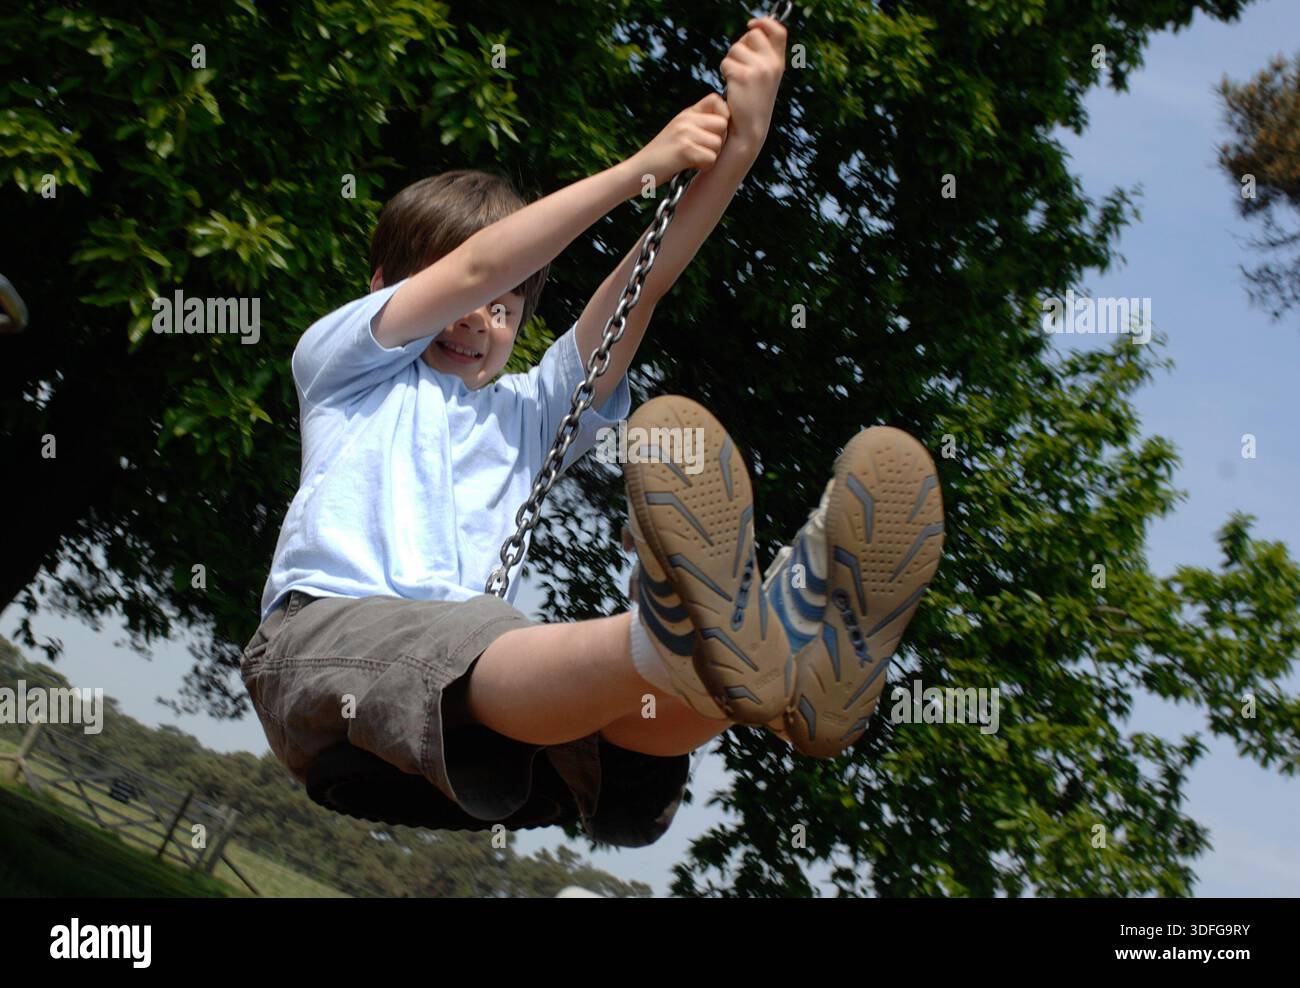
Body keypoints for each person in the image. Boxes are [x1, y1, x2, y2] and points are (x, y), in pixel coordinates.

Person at [240, 16, 943, 848]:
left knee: (636, 723)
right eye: (464, 293)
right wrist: (638, 171)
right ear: (385, 286)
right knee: (491, 642)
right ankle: (696, 625)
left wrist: (743, 144)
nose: (480, 314)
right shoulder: (342, 365)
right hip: (321, 650)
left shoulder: (527, 417)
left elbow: (641, 288)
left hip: (486, 691)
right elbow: (477, 265)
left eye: (508, 307)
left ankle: (788, 646)